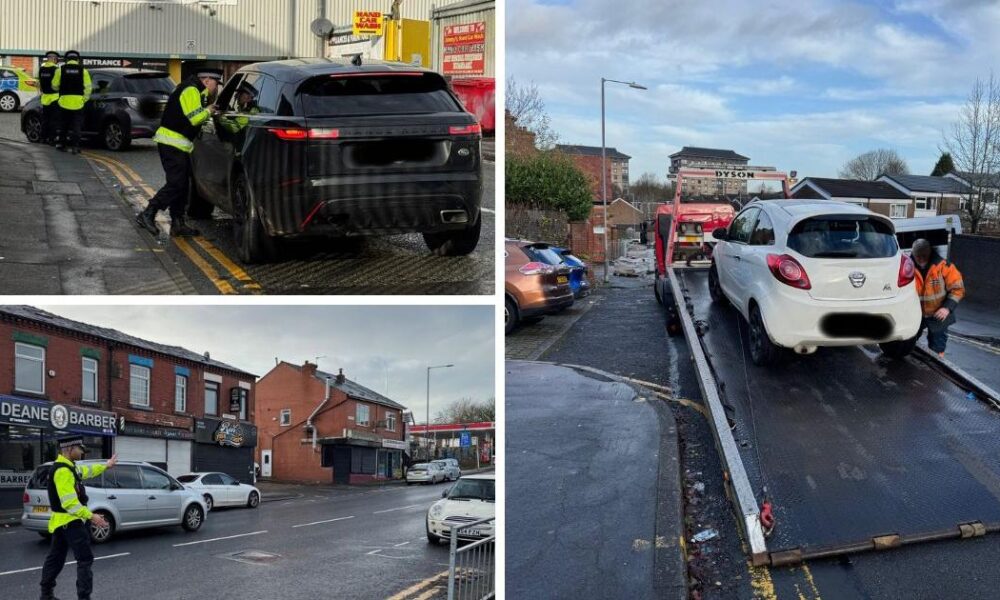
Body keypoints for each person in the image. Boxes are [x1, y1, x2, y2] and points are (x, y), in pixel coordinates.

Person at [135, 68, 222, 237]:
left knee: (183, 185)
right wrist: (209, 111)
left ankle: (177, 222)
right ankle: (147, 213)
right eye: (216, 84)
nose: (216, 88)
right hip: (171, 143)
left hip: (179, 145)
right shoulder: (191, 90)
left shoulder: (193, 89)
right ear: (207, 81)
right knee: (176, 184)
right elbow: (195, 117)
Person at [39, 436, 118, 600]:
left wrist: (106, 466)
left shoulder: (70, 468)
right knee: (84, 559)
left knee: (56, 559)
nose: (82, 453)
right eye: (79, 449)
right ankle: (83, 597)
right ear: (69, 449)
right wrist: (91, 516)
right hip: (71, 521)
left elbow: (87, 471)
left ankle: (46, 595)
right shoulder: (62, 471)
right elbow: (70, 503)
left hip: (62, 522)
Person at [911, 238, 965, 357]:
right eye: (917, 256)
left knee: (937, 346)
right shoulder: (907, 267)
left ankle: (938, 366)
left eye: (924, 255)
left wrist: (946, 308)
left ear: (930, 252)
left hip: (938, 314)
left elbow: (957, 289)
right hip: (915, 314)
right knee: (907, 342)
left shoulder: (945, 267)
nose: (920, 259)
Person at [51, 50, 91, 154]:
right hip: (78, 103)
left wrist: (60, 89)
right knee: (76, 126)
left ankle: (62, 145)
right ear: (78, 59)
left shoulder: (60, 70)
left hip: (64, 102)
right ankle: (75, 147)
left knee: (63, 125)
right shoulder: (84, 71)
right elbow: (88, 88)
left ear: (66, 59)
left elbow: (54, 86)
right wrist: (84, 99)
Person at [36, 51, 61, 145]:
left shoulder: (41, 69)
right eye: (56, 59)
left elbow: (40, 83)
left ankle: (43, 138)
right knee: (53, 120)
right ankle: (52, 139)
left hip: (45, 98)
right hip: (55, 97)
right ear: (54, 59)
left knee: (45, 119)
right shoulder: (56, 69)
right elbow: (58, 83)